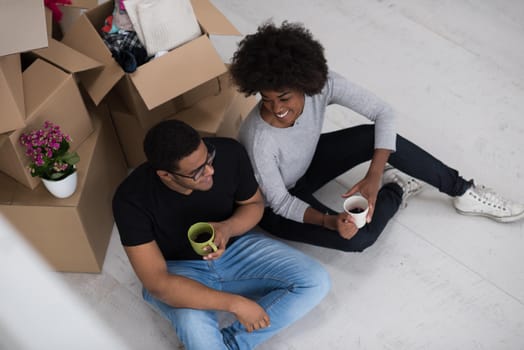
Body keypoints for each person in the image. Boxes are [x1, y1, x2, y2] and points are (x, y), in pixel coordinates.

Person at [228, 21, 524, 253]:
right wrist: (330, 221)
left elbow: (384, 112)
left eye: (284, 97)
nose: (276, 108)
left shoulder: (322, 86)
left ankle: (463, 191)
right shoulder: (259, 138)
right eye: (266, 99)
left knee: (376, 136)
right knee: (357, 239)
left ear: (303, 82)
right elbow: (279, 202)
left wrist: (373, 174)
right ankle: (396, 189)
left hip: (306, 165)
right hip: (276, 205)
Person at [112, 119, 330, 350]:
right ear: (166, 175)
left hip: (237, 249)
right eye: (197, 172)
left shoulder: (229, 152)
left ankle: (230, 343)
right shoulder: (130, 200)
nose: (210, 171)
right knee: (191, 323)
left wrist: (228, 228)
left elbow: (254, 204)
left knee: (316, 281)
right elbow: (158, 283)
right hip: (179, 271)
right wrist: (236, 304)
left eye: (208, 158)